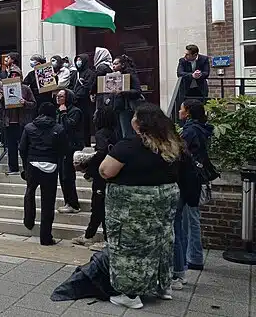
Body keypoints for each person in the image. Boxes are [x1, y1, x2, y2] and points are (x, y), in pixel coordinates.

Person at [99, 103, 200, 309]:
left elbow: (106, 171)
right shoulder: (172, 143)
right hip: (165, 201)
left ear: (139, 123)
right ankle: (163, 287)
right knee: (162, 241)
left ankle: (130, 294)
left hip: (134, 205)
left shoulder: (129, 145)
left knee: (131, 246)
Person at [173, 99, 213, 288]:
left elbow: (180, 153)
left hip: (189, 179)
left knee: (187, 218)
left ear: (187, 112)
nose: (179, 111)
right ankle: (193, 255)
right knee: (191, 217)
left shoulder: (190, 131)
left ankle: (193, 257)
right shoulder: (202, 128)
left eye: (181, 109)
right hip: (196, 178)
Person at [20, 102, 67, 245]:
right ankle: (45, 237)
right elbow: (63, 150)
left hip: (32, 164)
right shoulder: (58, 129)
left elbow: (22, 148)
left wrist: (25, 166)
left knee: (29, 192)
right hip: (50, 166)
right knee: (48, 202)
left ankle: (29, 219)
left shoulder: (29, 127)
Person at [72, 106, 118, 248]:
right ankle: (89, 235)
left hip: (102, 175)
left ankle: (105, 239)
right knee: (100, 207)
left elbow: (101, 153)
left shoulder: (101, 134)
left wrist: (89, 169)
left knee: (99, 206)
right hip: (111, 174)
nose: (93, 118)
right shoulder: (115, 132)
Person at [55, 89, 83, 214]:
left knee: (68, 176)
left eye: (61, 96)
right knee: (62, 176)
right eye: (57, 96)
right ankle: (68, 202)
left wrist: (64, 113)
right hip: (61, 146)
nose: (58, 98)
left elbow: (69, 127)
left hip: (71, 146)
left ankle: (73, 203)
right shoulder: (58, 111)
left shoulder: (75, 111)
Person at [4, 73, 36, 175]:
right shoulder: (5, 88)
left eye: (16, 75)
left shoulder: (26, 89)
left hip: (22, 122)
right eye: (12, 75)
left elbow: (34, 104)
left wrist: (25, 102)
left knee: (24, 147)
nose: (14, 77)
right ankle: (13, 168)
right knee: (11, 147)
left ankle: (27, 168)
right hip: (10, 122)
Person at [111, 55, 143, 139]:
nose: (113, 66)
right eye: (113, 64)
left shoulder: (130, 74)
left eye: (116, 64)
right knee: (122, 132)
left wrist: (122, 92)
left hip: (128, 107)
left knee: (128, 133)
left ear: (122, 65)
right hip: (120, 107)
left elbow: (138, 90)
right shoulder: (114, 76)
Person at [73, 53, 96, 147]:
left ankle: (86, 142)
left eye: (80, 60)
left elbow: (89, 85)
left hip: (85, 101)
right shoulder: (75, 73)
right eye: (77, 60)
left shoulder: (90, 73)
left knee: (85, 122)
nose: (78, 62)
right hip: (75, 101)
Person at [91, 47, 114, 111]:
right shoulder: (109, 66)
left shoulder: (101, 67)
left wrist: (92, 92)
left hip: (102, 95)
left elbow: (96, 81)